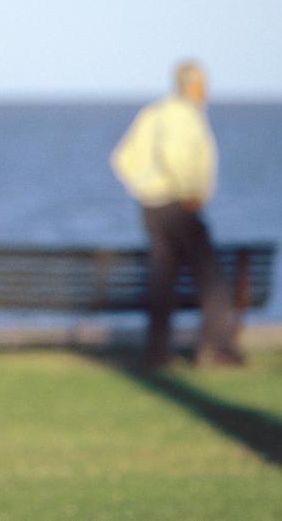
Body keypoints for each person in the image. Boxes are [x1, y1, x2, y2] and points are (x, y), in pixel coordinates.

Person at [110, 61, 244, 368]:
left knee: (163, 279)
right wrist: (190, 193)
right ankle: (219, 348)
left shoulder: (153, 114)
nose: (206, 91)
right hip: (179, 206)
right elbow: (175, 154)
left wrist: (143, 188)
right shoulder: (184, 116)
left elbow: (122, 158)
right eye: (203, 85)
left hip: (152, 207)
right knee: (210, 278)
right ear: (191, 86)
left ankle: (157, 351)